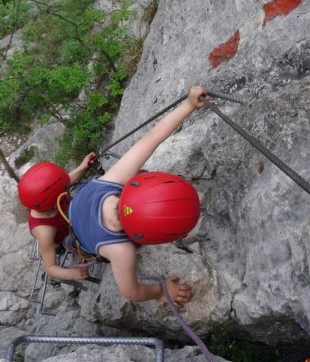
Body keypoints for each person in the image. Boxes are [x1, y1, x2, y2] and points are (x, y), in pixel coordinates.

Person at [69, 85, 208, 309]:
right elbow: (131, 292)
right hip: (84, 234)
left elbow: (151, 139)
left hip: (80, 203)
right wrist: (162, 290)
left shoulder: (111, 180)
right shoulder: (121, 250)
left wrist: (188, 105)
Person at [18, 152, 96, 281]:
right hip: (73, 235)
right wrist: (71, 274)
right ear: (54, 203)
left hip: (74, 215)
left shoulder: (47, 199)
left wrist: (83, 166)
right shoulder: (44, 231)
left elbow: (62, 183)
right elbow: (50, 267)